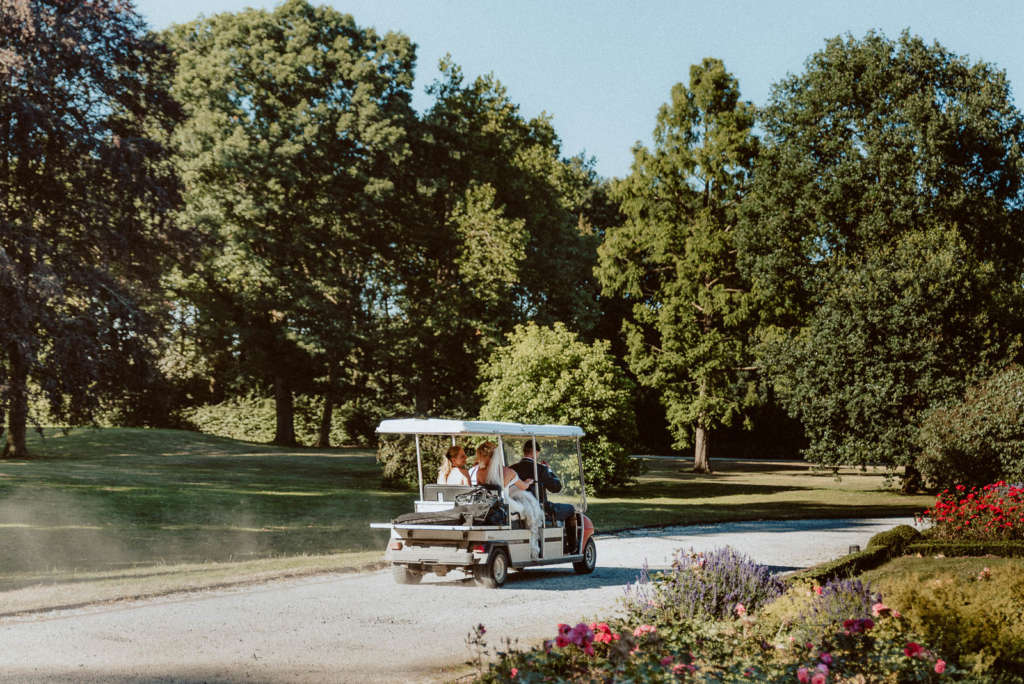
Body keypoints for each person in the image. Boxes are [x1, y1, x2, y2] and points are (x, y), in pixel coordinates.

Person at [475, 441, 543, 557]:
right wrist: (528, 481)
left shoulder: (480, 473)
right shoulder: (509, 472)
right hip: (505, 505)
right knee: (528, 508)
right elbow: (523, 486)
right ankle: (533, 542)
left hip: (488, 505)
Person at [511, 441, 578, 553]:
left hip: (519, 505)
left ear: (524, 451)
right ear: (535, 452)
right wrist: (549, 470)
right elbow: (556, 487)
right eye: (537, 454)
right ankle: (572, 547)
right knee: (571, 509)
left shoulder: (512, 468)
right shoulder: (541, 469)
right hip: (540, 506)